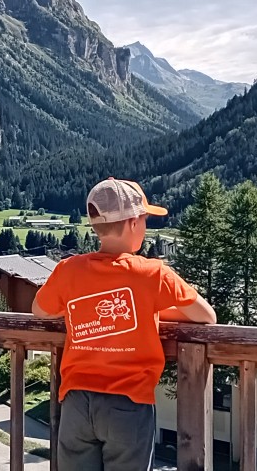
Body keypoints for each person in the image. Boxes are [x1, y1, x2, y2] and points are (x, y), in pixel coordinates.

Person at [32, 177, 218, 471]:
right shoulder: (153, 274)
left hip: (76, 402)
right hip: (128, 404)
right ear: (132, 223)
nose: (145, 226)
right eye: (144, 219)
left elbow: (40, 310)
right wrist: (148, 310)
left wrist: (85, 310)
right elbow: (207, 316)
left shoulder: (69, 270)